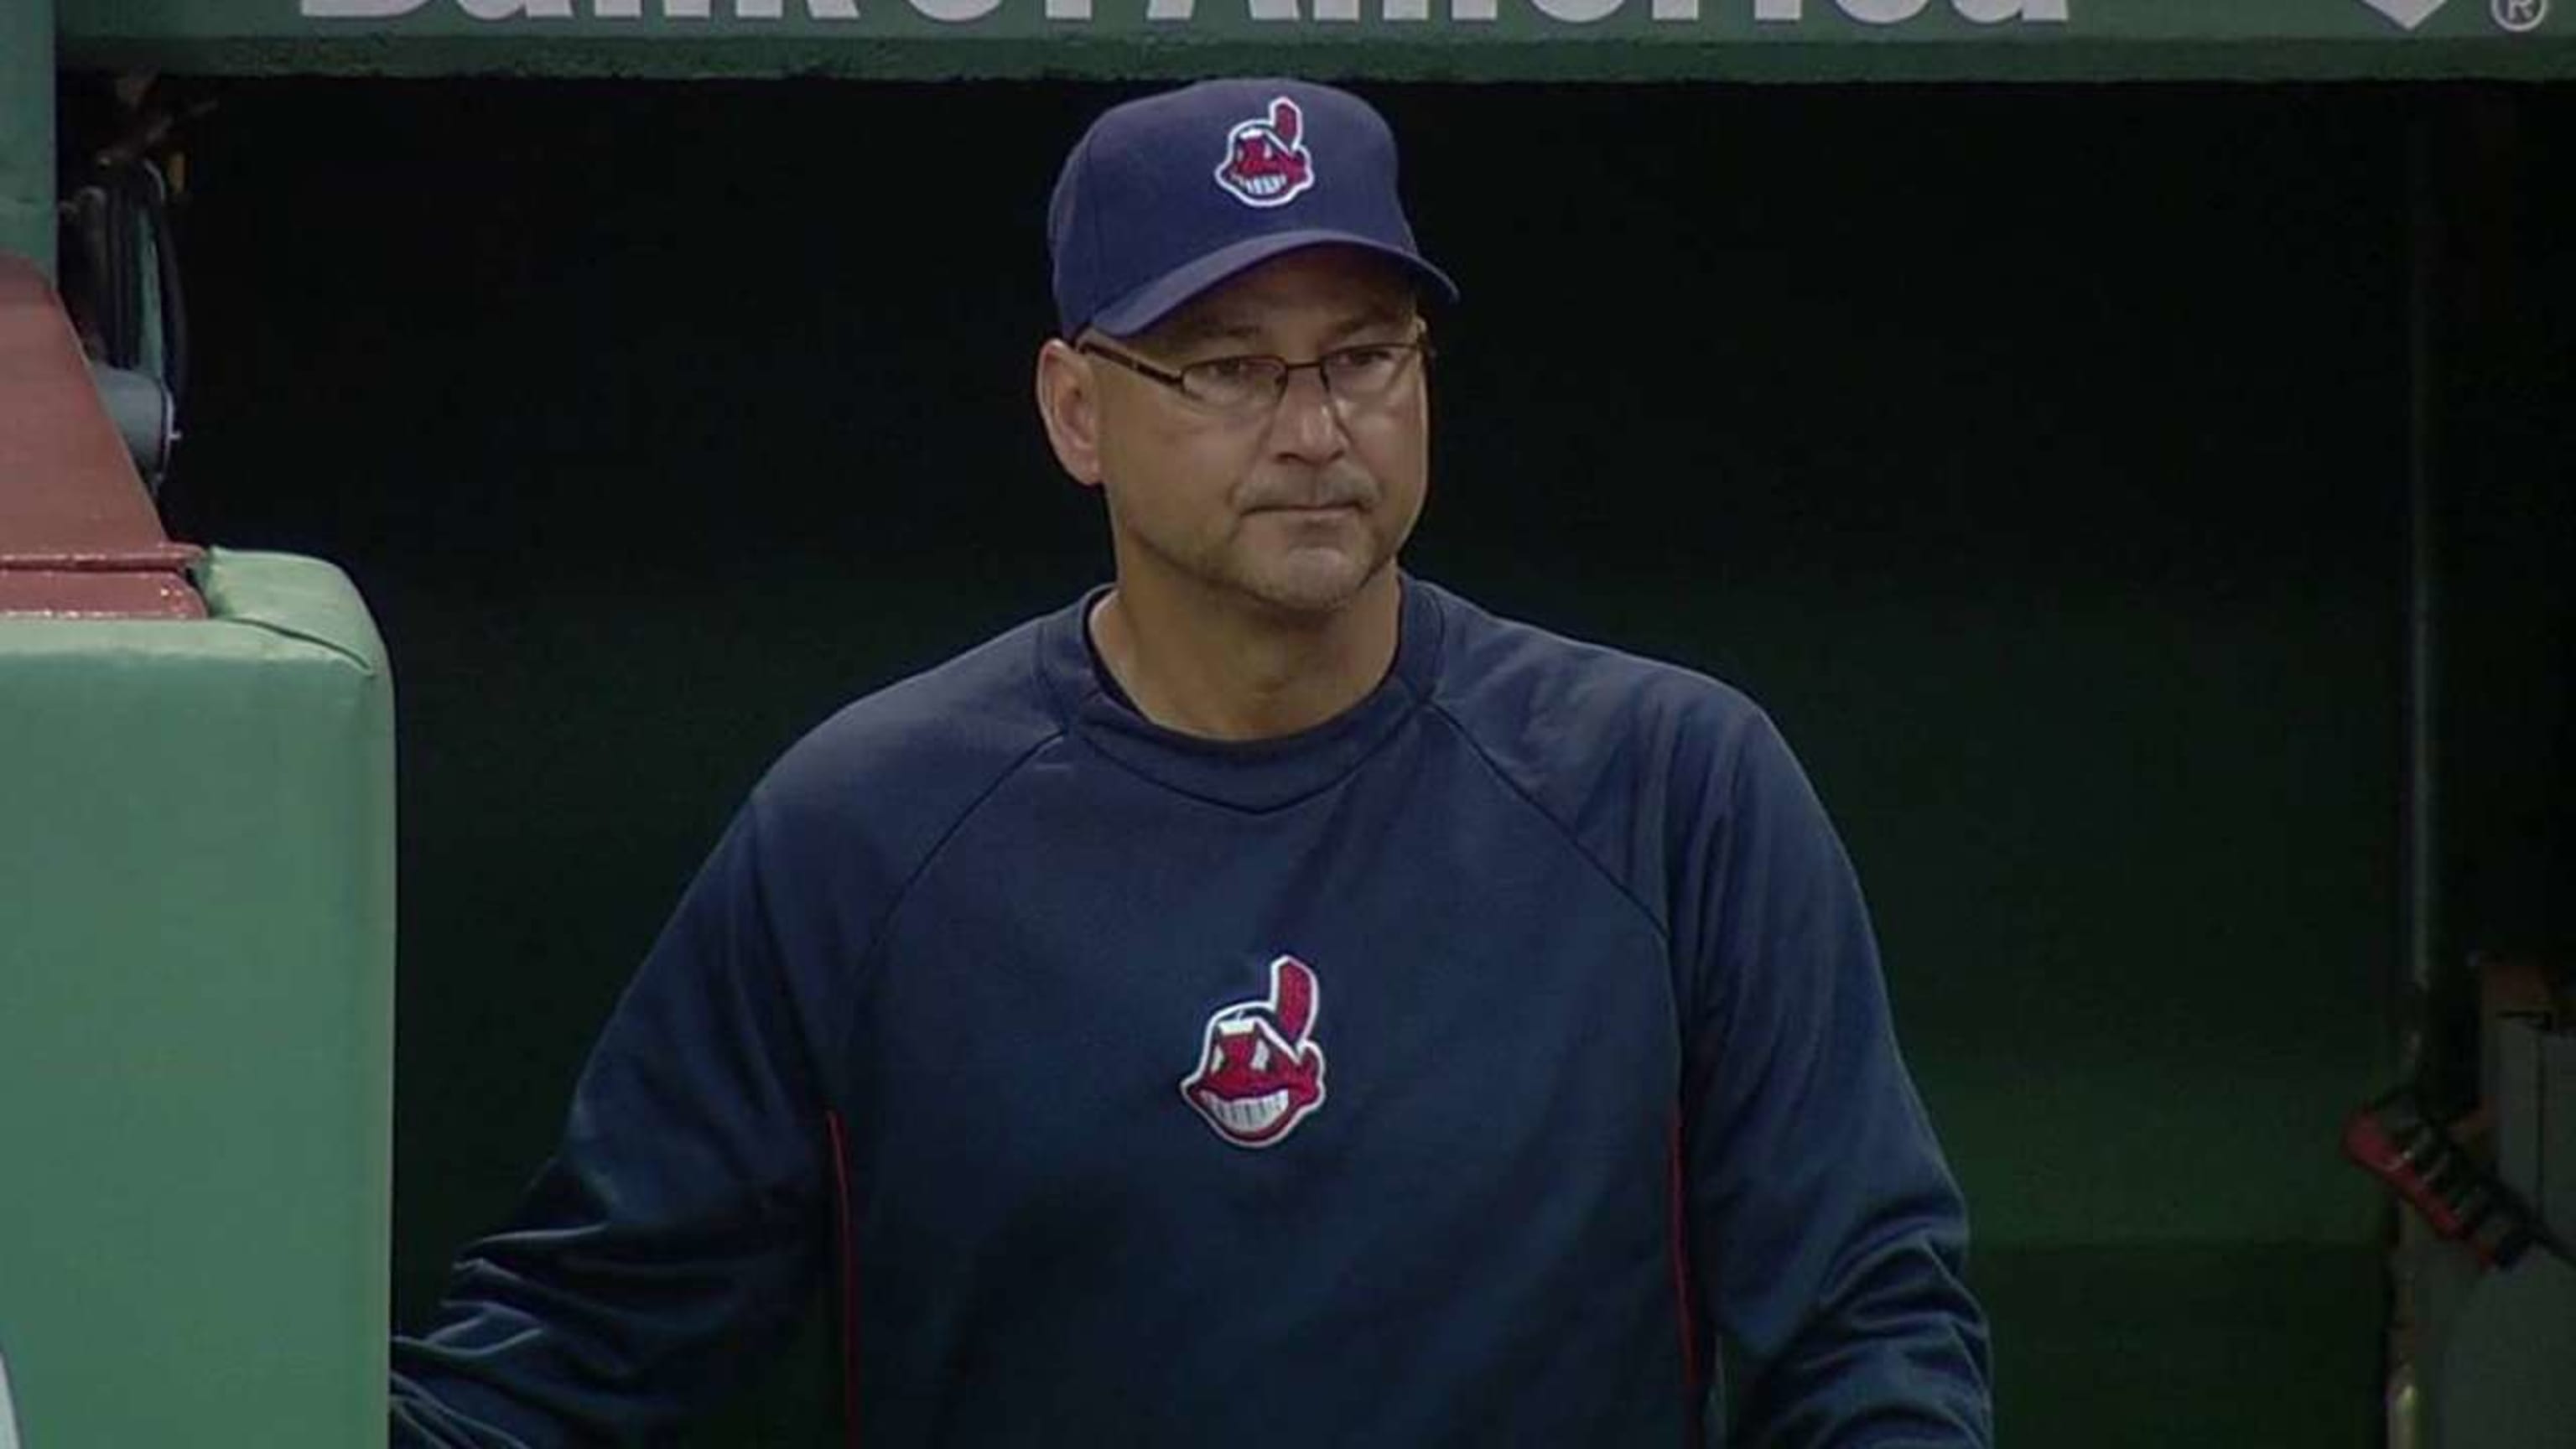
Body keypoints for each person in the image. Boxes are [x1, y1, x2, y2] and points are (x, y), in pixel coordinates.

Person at [391, 77, 1992, 1446]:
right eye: (1227, 367)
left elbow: (1871, 1329)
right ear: (1076, 411)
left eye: (1363, 356)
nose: (1314, 430)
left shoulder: (1672, 786)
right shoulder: (865, 830)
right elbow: (573, 1351)